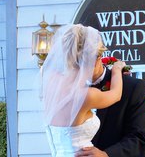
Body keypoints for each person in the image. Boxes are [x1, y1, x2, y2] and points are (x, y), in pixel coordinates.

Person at [40, 24, 128, 156]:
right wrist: (116, 69)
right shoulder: (86, 95)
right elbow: (116, 95)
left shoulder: (50, 81)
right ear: (95, 59)